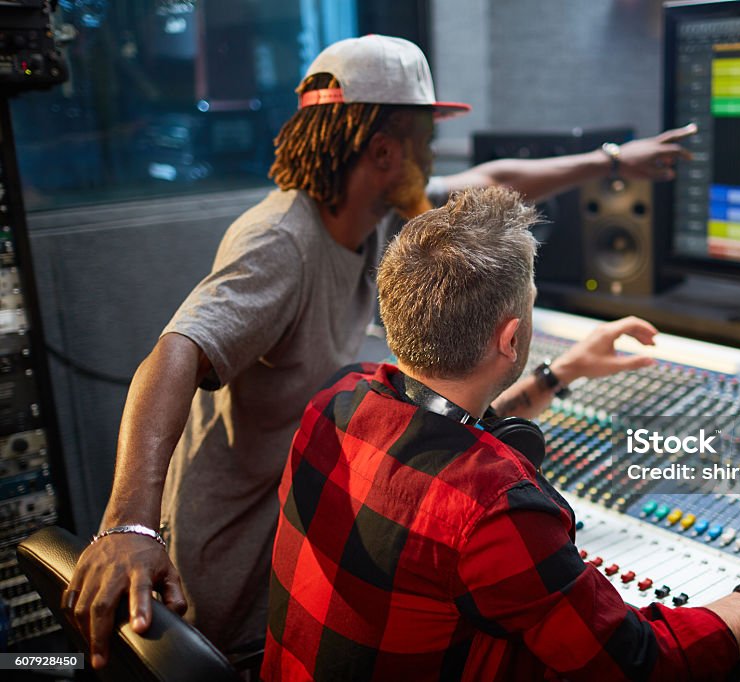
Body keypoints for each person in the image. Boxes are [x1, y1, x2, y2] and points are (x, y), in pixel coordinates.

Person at [62, 34, 699, 668]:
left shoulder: (371, 211)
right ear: (386, 151)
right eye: (426, 141)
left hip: (306, 536)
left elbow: (492, 183)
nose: (432, 157)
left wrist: (613, 161)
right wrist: (129, 525)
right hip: (233, 573)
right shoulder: (279, 240)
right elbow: (173, 352)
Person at [261, 187, 740, 681]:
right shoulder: (495, 513)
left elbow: (439, 424)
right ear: (510, 339)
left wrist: (560, 372)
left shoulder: (336, 400)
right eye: (529, 302)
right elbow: (643, 664)